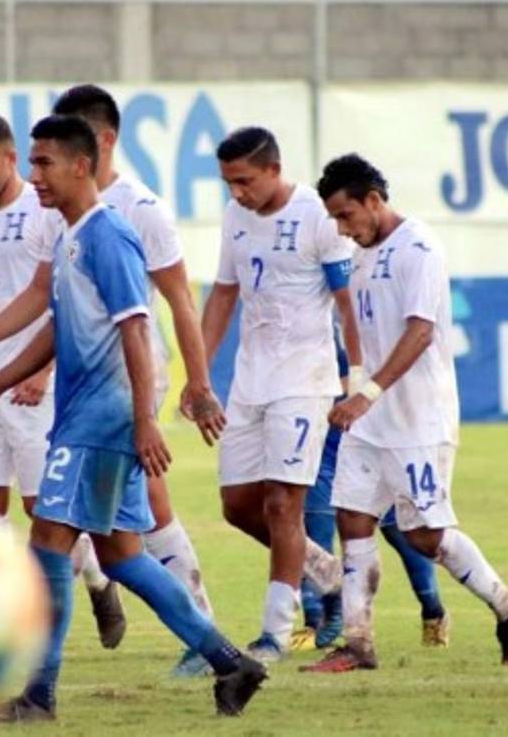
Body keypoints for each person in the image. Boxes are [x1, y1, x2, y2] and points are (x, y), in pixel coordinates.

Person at [0, 115, 266, 720]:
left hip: (100, 420)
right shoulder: (69, 236)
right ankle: (232, 662)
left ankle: (38, 697)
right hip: (89, 416)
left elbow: (136, 325)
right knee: (124, 556)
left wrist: (143, 420)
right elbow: (57, 328)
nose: (35, 175)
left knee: (46, 542)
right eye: (33, 163)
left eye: (44, 163)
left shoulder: (108, 235)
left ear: (81, 164)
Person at [300, 153, 508, 674]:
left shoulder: (419, 247)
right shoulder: (360, 254)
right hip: (372, 419)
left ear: (374, 200)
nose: (342, 228)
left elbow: (421, 330)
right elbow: (361, 326)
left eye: (346, 215)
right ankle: (359, 643)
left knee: (424, 535)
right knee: (353, 519)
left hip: (418, 419)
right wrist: (355, 385)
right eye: (335, 219)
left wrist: (369, 393)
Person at [0, 109, 128, 654]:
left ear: (9, 159)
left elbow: (56, 301)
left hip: (31, 383)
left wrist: (44, 372)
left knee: (41, 509)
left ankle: (97, 581)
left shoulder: (45, 212)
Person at [199, 126, 361, 663]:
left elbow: (346, 301)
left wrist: (355, 377)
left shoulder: (317, 215)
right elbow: (224, 293)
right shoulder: (235, 217)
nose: (236, 193)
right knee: (237, 506)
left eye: (244, 181)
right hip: (250, 380)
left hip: (304, 381)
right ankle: (326, 571)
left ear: (273, 169)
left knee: (282, 504)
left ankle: (274, 634)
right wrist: (199, 374)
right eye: (228, 183)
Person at [292, 324, 449, 652]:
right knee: (312, 526)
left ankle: (433, 611)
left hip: (360, 435)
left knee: (401, 531)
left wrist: (343, 391)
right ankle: (316, 620)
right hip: (316, 443)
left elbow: (360, 378)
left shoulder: (350, 314)